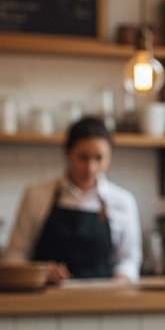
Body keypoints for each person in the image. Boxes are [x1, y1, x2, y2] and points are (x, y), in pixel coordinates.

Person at [4, 115, 142, 282]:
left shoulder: (123, 201)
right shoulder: (36, 195)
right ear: (67, 152)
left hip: (103, 300)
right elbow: (15, 256)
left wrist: (121, 278)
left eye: (99, 158)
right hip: (45, 301)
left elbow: (128, 260)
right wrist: (42, 272)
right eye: (83, 157)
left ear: (110, 157)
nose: (90, 168)